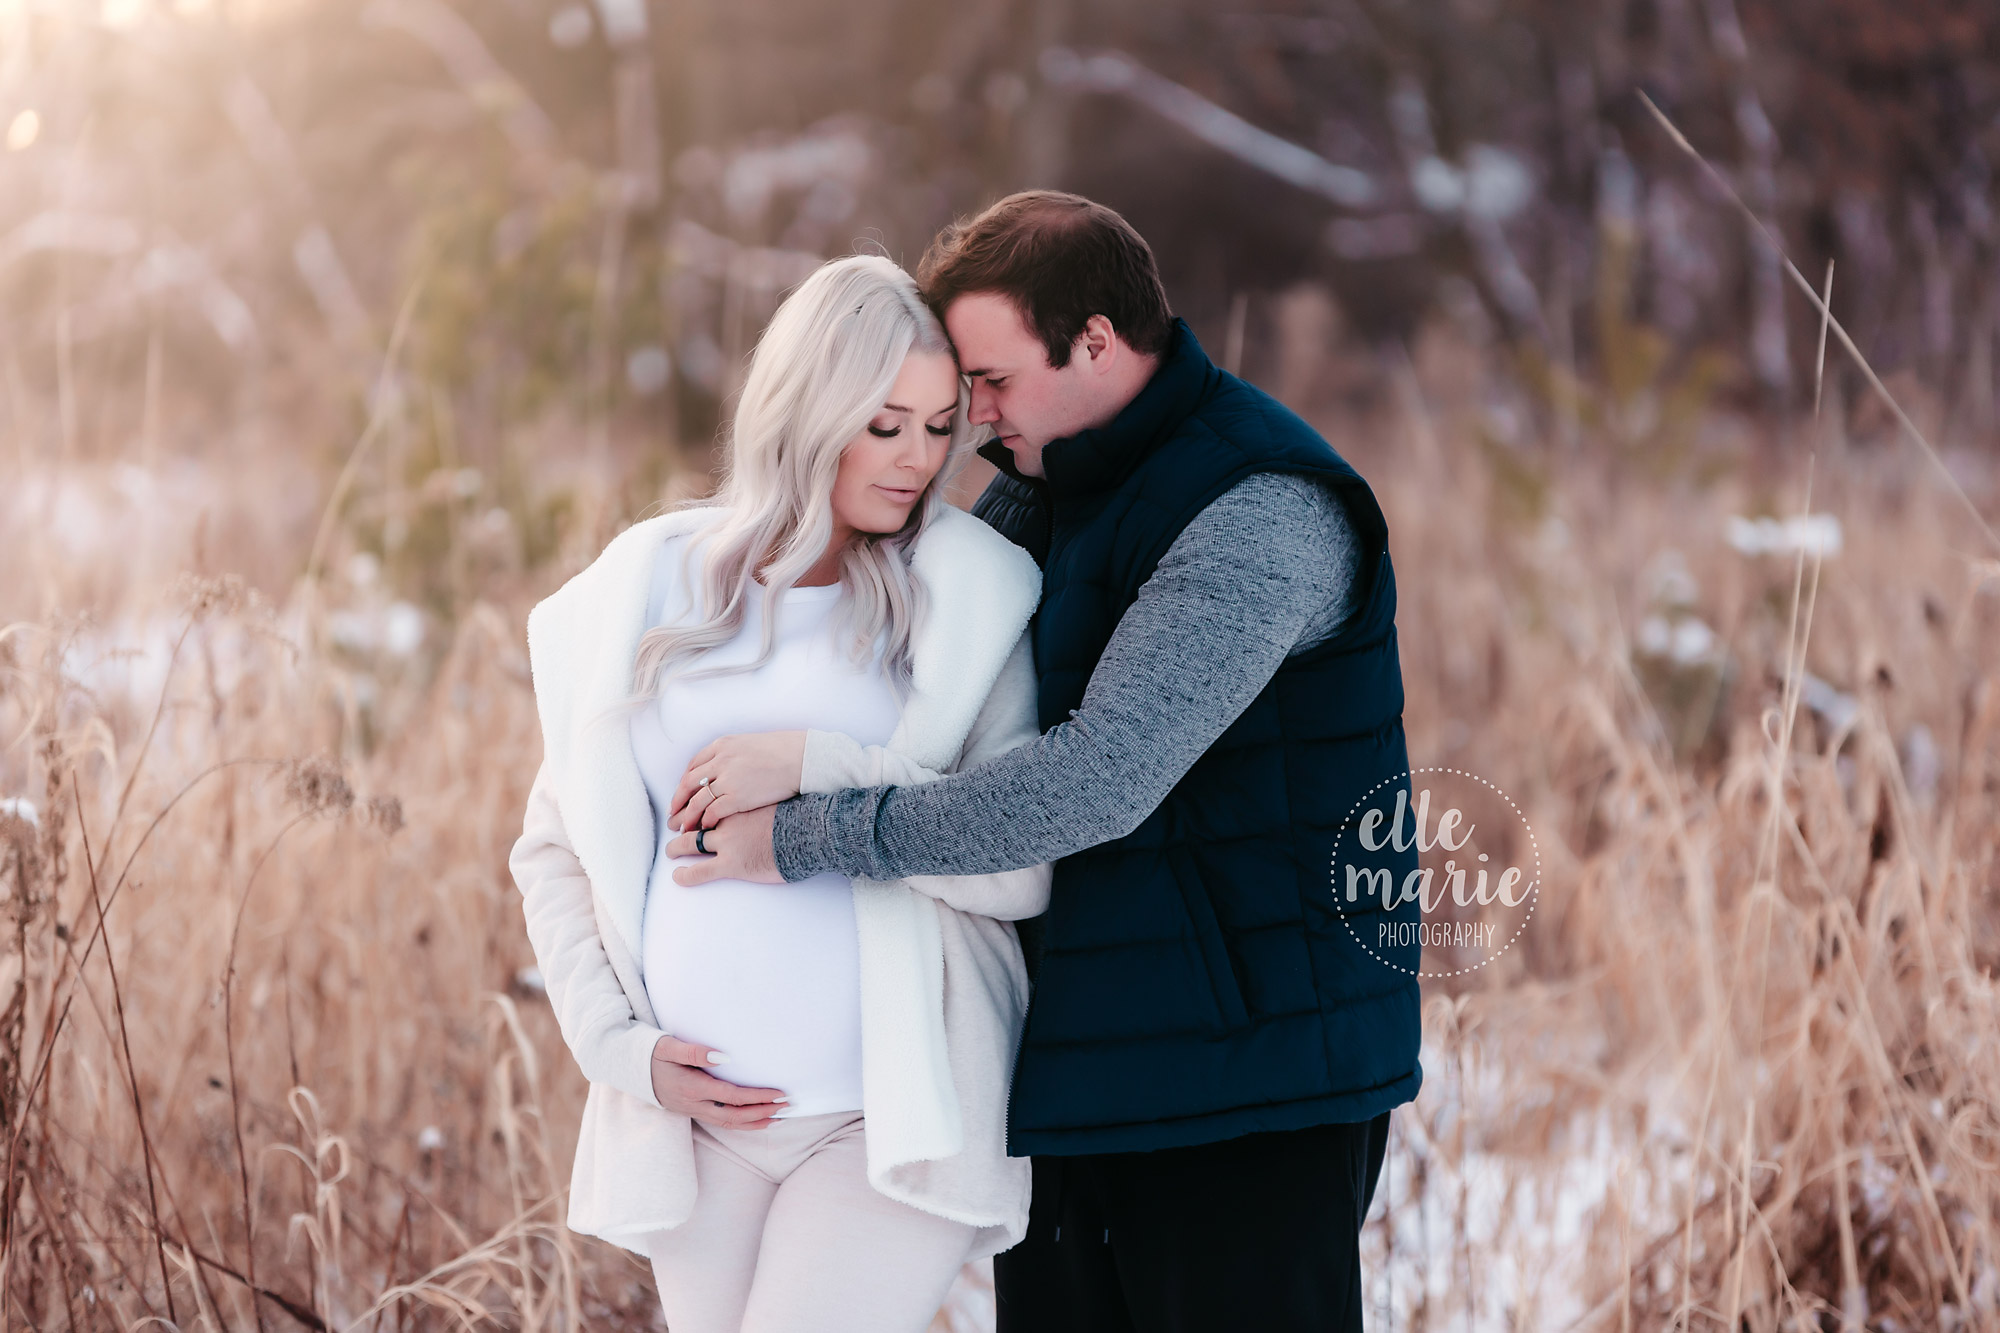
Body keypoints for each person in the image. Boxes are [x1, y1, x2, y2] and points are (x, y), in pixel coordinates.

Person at [667, 191, 1424, 1332]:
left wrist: (807, 830)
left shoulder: (1258, 509)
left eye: (990, 382)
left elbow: (1095, 780)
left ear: (1097, 345)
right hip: (1081, 1066)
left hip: (1251, 1085)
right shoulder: (1039, 489)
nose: (968, 418)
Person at [508, 253, 1052, 1333]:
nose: (919, 461)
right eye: (884, 424)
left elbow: (1019, 863)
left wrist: (816, 762)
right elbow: (554, 847)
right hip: (697, 1126)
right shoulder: (644, 588)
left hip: (885, 1124)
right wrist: (619, 1050)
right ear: (808, 409)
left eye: (940, 425)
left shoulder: (965, 597)